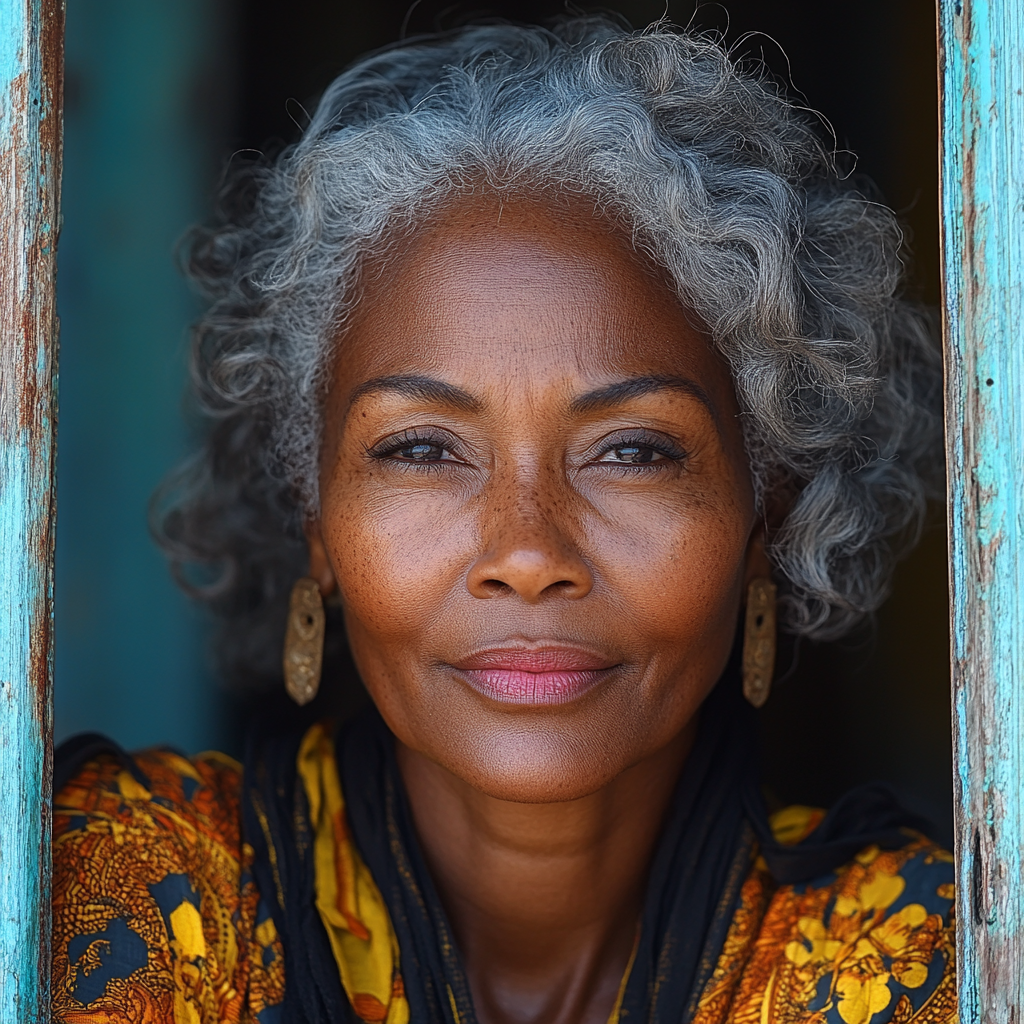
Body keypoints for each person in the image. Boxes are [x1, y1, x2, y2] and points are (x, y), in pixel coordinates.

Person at [50, 17, 955, 1024]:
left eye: (633, 450)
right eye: (422, 448)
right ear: (316, 519)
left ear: (762, 515)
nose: (527, 554)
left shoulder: (909, 964)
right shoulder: (126, 907)